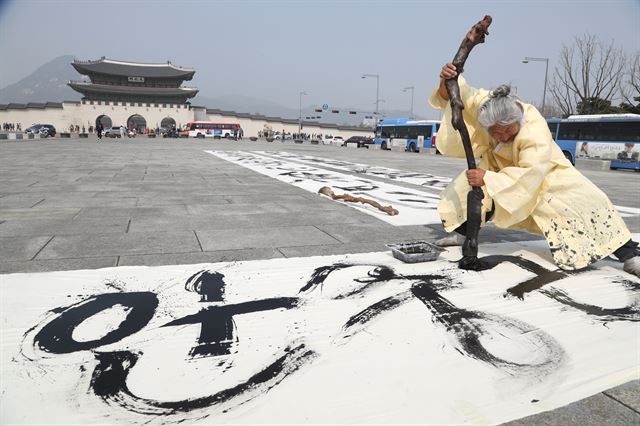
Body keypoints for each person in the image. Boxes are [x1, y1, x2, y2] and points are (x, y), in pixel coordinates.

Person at [429, 63, 639, 277]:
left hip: (547, 174)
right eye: (496, 134)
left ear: (515, 120)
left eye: (507, 132)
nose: (502, 138)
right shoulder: (488, 105)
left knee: (591, 202)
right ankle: (463, 233)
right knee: (467, 194)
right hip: (498, 168)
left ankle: (630, 255)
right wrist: (447, 78)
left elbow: (530, 173)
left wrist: (488, 178)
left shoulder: (534, 131)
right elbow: (458, 95)